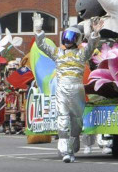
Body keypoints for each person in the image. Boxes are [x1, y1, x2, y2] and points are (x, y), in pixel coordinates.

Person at [34, 14, 102, 162]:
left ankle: (73, 146)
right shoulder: (57, 53)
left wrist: (95, 33)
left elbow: (91, 45)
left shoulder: (82, 54)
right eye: (66, 36)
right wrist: (39, 30)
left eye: (72, 37)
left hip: (77, 89)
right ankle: (65, 152)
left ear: (77, 39)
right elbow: (42, 46)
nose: (68, 39)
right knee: (63, 119)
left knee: (76, 121)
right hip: (62, 89)